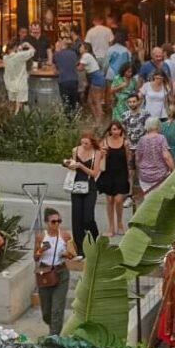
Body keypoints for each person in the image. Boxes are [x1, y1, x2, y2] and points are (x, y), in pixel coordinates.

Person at [34, 208, 76, 336]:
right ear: (47, 222)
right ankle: (53, 328)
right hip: (45, 274)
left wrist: (67, 254)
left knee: (57, 308)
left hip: (61, 272)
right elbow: (35, 257)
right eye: (53, 222)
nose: (57, 224)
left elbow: (73, 254)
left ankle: (53, 337)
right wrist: (41, 251)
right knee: (46, 312)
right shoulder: (41, 237)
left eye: (59, 221)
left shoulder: (65, 236)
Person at [64, 132, 103, 252]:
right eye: (82, 143)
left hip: (90, 186)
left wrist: (81, 165)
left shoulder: (97, 153)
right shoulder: (75, 150)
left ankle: (96, 240)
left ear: (92, 142)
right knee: (76, 218)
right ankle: (80, 248)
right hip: (77, 185)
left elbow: (94, 173)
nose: (84, 145)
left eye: (86, 143)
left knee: (88, 218)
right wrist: (69, 164)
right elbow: (73, 166)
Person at [96, 121, 130, 237]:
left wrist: (129, 175)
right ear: (110, 130)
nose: (116, 131)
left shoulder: (125, 143)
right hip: (108, 174)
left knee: (118, 200)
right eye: (113, 129)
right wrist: (102, 153)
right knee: (109, 200)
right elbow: (97, 157)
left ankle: (120, 223)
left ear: (121, 130)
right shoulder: (104, 142)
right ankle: (111, 226)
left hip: (121, 173)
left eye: (118, 129)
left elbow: (128, 159)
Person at [134, 118, 174, 196]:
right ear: (158, 126)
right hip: (160, 176)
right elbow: (166, 157)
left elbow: (137, 158)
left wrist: (140, 171)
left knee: (147, 198)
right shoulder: (161, 138)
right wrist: (174, 169)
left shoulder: (142, 139)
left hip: (145, 177)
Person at [2, 41, 33, 114]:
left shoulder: (5, 58)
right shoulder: (20, 56)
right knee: (19, 104)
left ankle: (11, 118)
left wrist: (19, 50)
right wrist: (28, 44)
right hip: (20, 83)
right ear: (15, 47)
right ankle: (17, 119)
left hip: (10, 84)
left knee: (12, 103)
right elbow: (33, 51)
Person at [53, 39, 80, 113]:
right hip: (74, 80)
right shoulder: (73, 54)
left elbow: (55, 70)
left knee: (66, 103)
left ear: (62, 45)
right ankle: (74, 120)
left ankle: (67, 122)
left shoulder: (57, 54)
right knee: (73, 102)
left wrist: (56, 49)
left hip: (63, 80)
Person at [78, 42, 104, 117]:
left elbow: (80, 68)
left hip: (96, 78)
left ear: (85, 49)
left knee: (96, 101)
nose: (80, 48)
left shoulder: (85, 55)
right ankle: (97, 119)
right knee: (90, 101)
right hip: (95, 78)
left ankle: (99, 122)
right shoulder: (87, 56)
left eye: (81, 47)